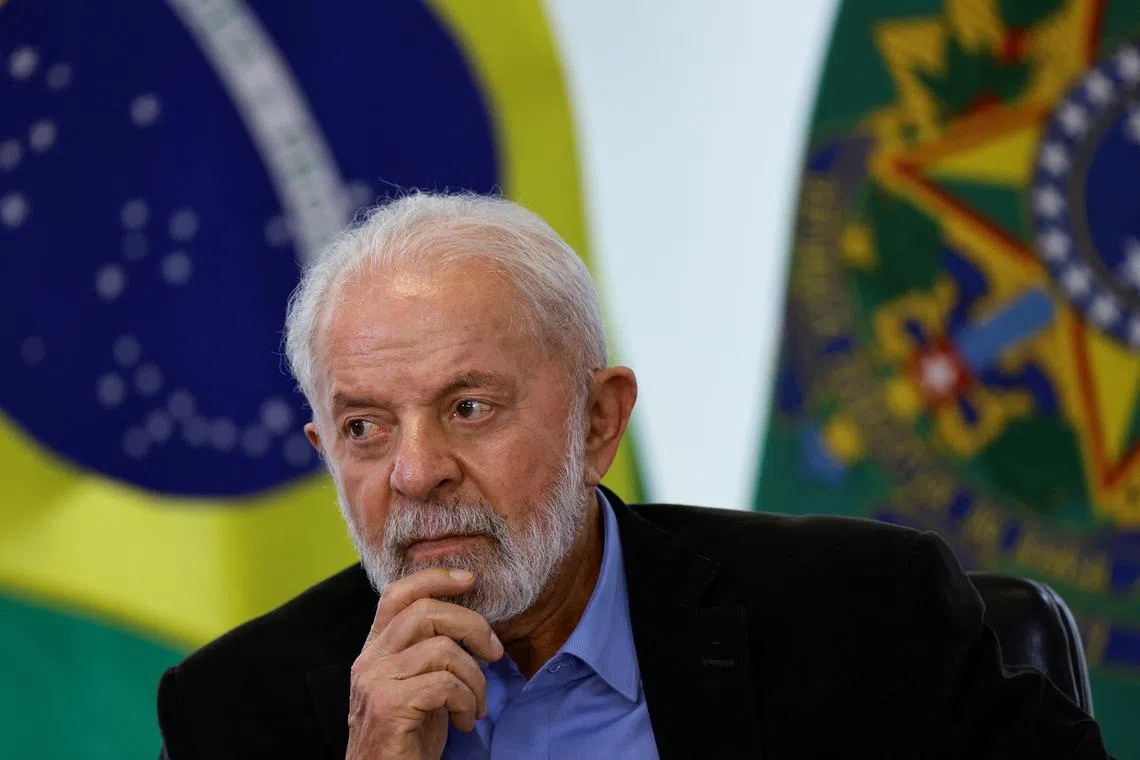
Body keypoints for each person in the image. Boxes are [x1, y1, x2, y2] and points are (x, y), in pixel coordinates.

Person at [156, 192, 1111, 759]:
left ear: (598, 421)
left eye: (469, 408)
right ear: (328, 455)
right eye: (365, 426)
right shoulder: (243, 711)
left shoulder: (862, 612)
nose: (416, 472)